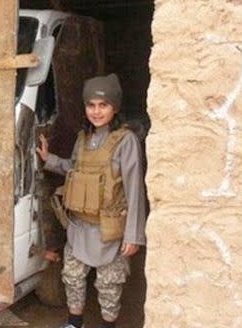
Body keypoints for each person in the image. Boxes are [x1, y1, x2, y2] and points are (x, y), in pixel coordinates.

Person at [36, 74, 146, 328]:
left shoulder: (125, 141)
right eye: (91, 105)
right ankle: (74, 323)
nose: (96, 112)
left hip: (110, 231)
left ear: (114, 107)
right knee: (72, 277)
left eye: (103, 105)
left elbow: (134, 189)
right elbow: (74, 170)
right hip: (79, 228)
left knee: (109, 285)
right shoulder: (83, 138)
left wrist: (133, 235)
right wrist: (49, 158)